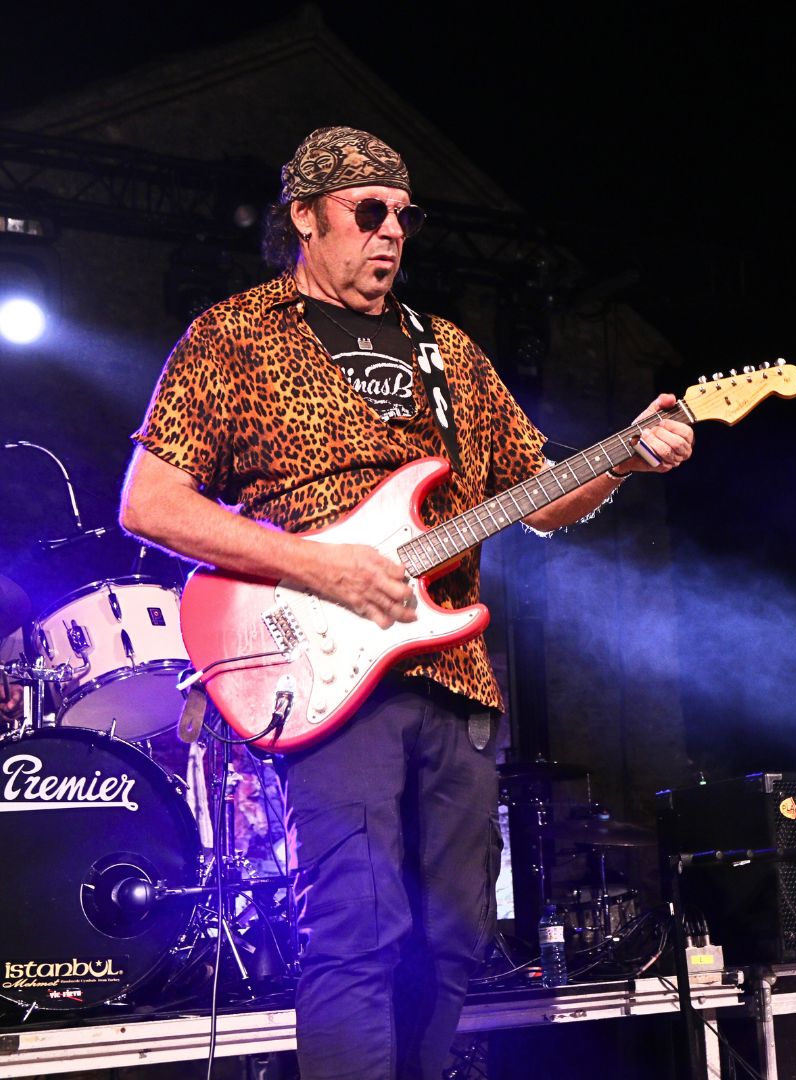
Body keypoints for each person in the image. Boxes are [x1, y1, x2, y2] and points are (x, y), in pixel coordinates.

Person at [119, 126, 693, 1080]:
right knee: (356, 927)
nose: (392, 230)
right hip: (322, 670)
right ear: (306, 217)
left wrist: (626, 454)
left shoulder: (447, 351)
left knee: (457, 934)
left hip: (454, 676)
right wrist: (321, 569)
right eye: (369, 211)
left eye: (405, 214)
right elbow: (151, 503)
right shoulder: (235, 336)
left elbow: (539, 494)